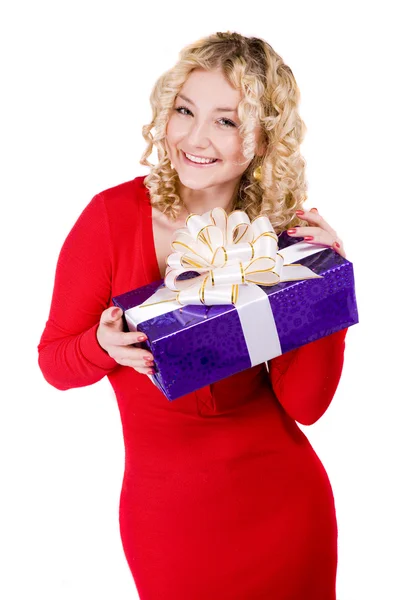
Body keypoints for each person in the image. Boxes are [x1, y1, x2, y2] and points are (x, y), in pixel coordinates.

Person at [38, 31, 348, 600]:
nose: (195, 137)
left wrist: (325, 286)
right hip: (168, 527)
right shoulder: (112, 219)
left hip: (283, 515)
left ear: (261, 139)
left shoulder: (279, 240)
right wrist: (99, 348)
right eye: (185, 110)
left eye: (226, 121)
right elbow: (54, 363)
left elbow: (306, 407)